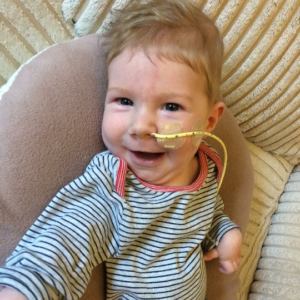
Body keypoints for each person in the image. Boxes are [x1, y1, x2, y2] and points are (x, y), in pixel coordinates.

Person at [0, 0, 242, 299]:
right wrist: (23, 290)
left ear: (208, 121)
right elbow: (70, 235)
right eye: (124, 101)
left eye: (170, 106)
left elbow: (205, 213)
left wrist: (225, 232)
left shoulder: (207, 168)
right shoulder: (116, 184)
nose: (140, 127)